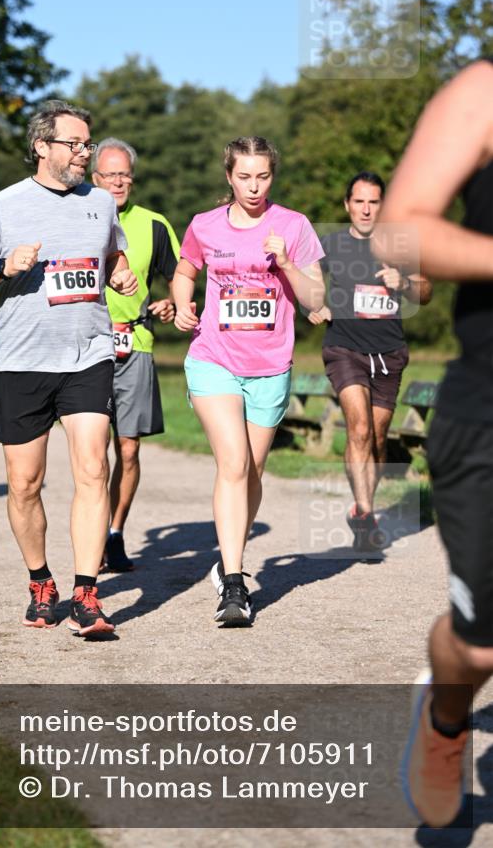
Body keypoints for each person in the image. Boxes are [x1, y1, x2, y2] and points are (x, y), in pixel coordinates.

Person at [0, 100, 138, 638]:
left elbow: (112, 257)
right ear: (42, 147)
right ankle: (40, 581)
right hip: (22, 361)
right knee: (25, 483)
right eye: (75, 145)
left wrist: (120, 276)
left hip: (88, 354)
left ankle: (86, 592)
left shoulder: (101, 203)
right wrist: (2, 267)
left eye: (88, 144)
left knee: (94, 469)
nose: (85, 153)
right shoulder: (3, 207)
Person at [371, 60, 493, 829]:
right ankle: (447, 719)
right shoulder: (482, 91)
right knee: (480, 649)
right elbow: (399, 225)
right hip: (486, 410)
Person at [173, 136, 325, 626]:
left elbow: (315, 296)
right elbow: (185, 269)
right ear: (229, 176)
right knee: (234, 463)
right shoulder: (204, 225)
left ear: (272, 176)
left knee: (251, 473)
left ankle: (226, 557)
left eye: (262, 176)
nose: (253, 186)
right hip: (213, 357)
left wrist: (285, 262)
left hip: (271, 367)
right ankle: (235, 585)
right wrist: (181, 304)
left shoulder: (294, 226)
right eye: (244, 176)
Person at [307, 172, 432, 551]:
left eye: (373, 202)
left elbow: (426, 291)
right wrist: (312, 305)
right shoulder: (329, 244)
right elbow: (303, 280)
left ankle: (363, 510)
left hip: (389, 351)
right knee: (358, 429)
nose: (365, 208)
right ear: (347, 205)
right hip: (345, 348)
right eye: (359, 201)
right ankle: (366, 514)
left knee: (376, 439)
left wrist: (405, 283)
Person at [92, 137, 180, 572]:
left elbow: (180, 278)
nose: (118, 181)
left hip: (136, 345)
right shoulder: (78, 217)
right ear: (94, 178)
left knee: (127, 451)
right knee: (91, 451)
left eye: (124, 173)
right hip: (86, 349)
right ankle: (91, 535)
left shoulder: (154, 224)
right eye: (109, 174)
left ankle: (114, 533)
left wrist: (171, 303)